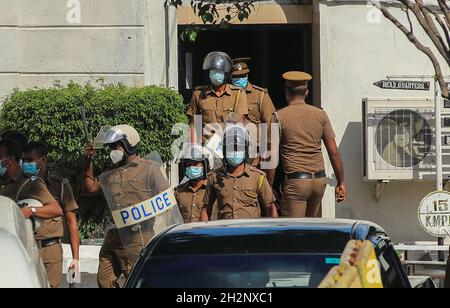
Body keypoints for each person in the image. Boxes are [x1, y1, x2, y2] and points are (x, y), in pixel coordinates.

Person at [83, 125, 171, 288]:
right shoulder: (110, 172)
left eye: (115, 146)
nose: (112, 151)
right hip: (113, 235)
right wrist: (88, 161)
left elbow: (167, 201)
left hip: (137, 236)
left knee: (138, 281)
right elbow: (89, 189)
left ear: (128, 145)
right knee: (104, 280)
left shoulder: (150, 168)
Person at [271, 71, 347, 218]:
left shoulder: (278, 117)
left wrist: (268, 187)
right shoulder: (320, 114)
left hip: (296, 183)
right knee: (310, 229)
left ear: (287, 92)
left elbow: (272, 157)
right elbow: (333, 152)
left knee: (293, 232)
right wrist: (341, 182)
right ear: (306, 92)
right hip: (319, 181)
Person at [0, 139, 63, 288]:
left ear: (9, 160)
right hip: (18, 249)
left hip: (45, 250)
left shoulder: (32, 183)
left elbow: (56, 209)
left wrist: (31, 210)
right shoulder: (2, 185)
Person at [22, 141, 80, 284]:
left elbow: (72, 222)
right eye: (23, 160)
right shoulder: (20, 184)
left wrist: (76, 259)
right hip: (24, 248)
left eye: (30, 160)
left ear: (43, 160)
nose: (25, 164)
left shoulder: (59, 185)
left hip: (50, 250)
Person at [201, 125, 278, 221]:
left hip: (250, 232)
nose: (234, 151)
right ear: (224, 150)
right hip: (224, 232)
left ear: (245, 150)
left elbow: (270, 207)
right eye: (231, 148)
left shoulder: (258, 177)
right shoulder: (214, 177)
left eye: (238, 148)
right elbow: (206, 209)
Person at [187, 51, 248, 144]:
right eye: (213, 71)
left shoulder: (238, 93)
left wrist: (218, 139)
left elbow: (240, 119)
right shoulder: (199, 94)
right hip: (206, 147)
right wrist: (194, 148)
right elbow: (194, 124)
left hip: (229, 147)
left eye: (219, 71)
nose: (216, 74)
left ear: (226, 73)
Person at [231, 58, 276, 169]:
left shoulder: (260, 95)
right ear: (230, 77)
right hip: (230, 152)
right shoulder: (226, 96)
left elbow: (271, 124)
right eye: (236, 77)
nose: (240, 79)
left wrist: (268, 151)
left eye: (243, 76)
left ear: (247, 75)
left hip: (254, 155)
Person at [175, 144, 215, 223]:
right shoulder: (179, 191)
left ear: (205, 166)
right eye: (188, 164)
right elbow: (172, 219)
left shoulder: (213, 190)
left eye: (195, 164)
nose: (191, 167)